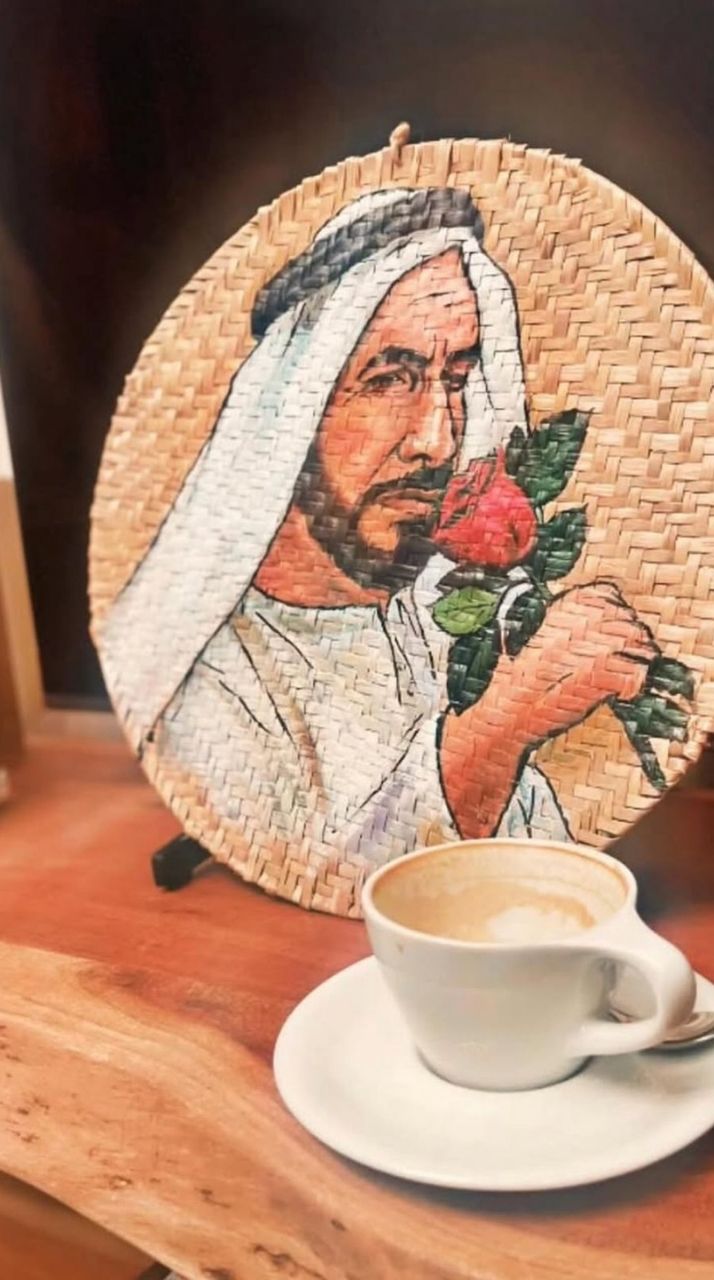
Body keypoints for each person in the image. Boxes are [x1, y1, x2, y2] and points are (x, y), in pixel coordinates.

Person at [99, 187, 654, 901]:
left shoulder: (439, 621)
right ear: (290, 409)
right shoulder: (208, 685)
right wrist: (503, 724)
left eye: (456, 380)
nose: (438, 441)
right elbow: (334, 879)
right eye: (389, 380)